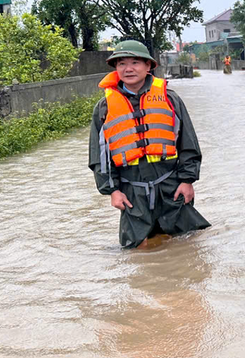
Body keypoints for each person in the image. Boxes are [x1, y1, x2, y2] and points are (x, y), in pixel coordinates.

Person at [88, 40, 210, 248]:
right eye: (121, 64)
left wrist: (187, 180)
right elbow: (99, 155)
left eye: (135, 62)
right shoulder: (104, 107)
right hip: (131, 190)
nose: (128, 69)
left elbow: (188, 143)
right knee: (137, 249)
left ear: (148, 66)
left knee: (189, 244)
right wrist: (112, 191)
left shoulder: (170, 98)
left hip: (171, 185)